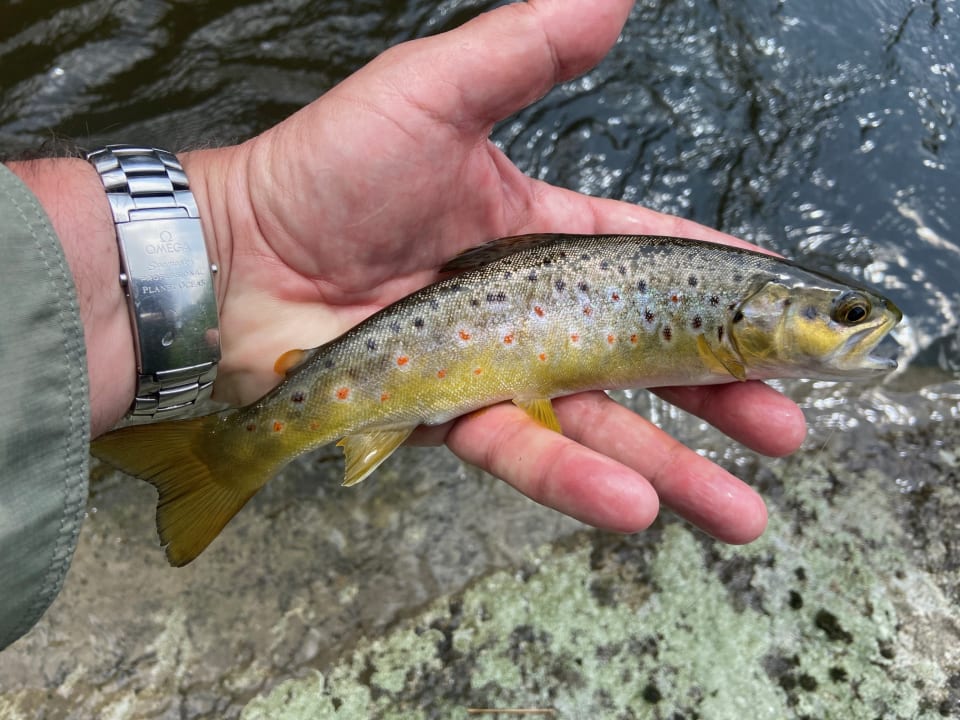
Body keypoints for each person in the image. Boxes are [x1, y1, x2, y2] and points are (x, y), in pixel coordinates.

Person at [0, 0, 805, 650]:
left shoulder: (718, 305)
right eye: (849, 317)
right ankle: (225, 453)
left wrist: (226, 227)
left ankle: (225, 448)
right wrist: (235, 225)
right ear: (750, 319)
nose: (854, 327)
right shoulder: (721, 316)